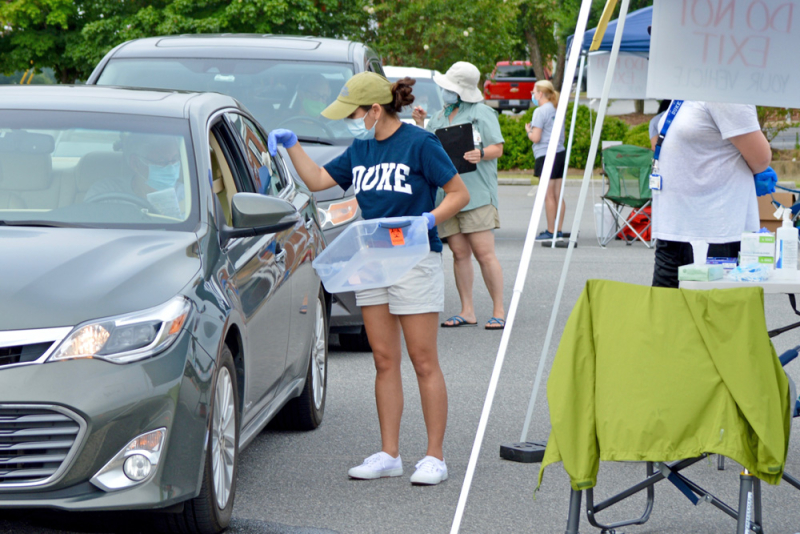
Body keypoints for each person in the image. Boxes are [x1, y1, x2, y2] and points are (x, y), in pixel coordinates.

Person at [267, 72, 470, 485]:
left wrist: (428, 220)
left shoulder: (420, 143)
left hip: (414, 258)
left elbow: (458, 193)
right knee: (383, 359)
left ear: (375, 110)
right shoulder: (360, 148)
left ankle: (434, 456)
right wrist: (292, 146)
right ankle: (389, 453)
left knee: (423, 359)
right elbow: (320, 181)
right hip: (374, 257)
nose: (350, 120)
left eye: (354, 113)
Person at [412, 61, 507, 331]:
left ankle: (499, 310)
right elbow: (426, 146)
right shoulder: (440, 117)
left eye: (449, 88)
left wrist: (482, 153)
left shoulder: (482, 112)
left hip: (477, 194)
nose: (445, 92)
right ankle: (467, 311)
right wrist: (420, 123)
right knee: (459, 252)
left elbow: (497, 148)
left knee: (484, 252)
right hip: (448, 196)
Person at [651, 100, 776, 288]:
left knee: (709, 314)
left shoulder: (726, 95)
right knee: (664, 313)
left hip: (715, 235)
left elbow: (761, 158)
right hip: (674, 231)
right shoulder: (686, 92)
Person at [85, 133, 184, 218]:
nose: (171, 167)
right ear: (135, 163)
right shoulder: (105, 193)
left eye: (175, 159)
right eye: (161, 161)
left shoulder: (188, 197)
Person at [525, 80, 568, 241]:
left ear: (541, 94)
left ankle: (551, 231)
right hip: (559, 152)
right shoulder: (557, 109)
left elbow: (536, 138)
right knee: (558, 194)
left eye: (534, 92)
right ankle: (558, 229)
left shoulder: (540, 111)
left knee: (549, 195)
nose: (533, 95)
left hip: (545, 154)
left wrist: (528, 131)